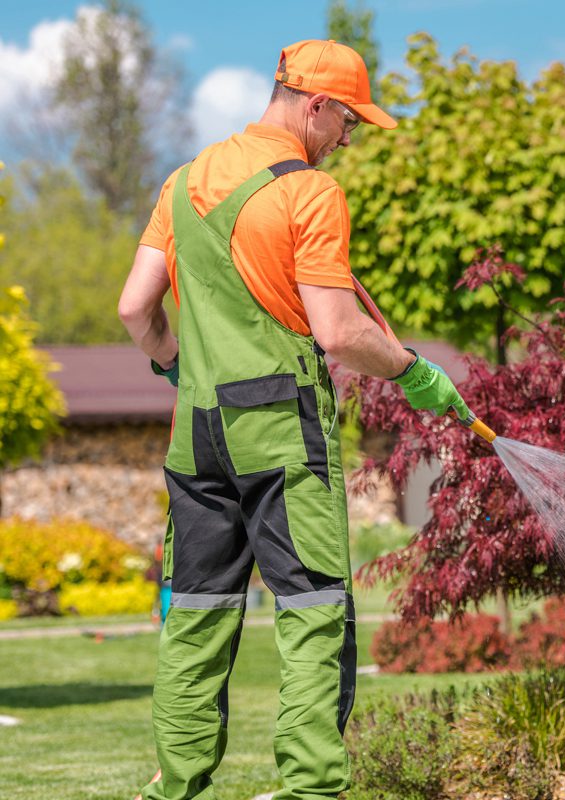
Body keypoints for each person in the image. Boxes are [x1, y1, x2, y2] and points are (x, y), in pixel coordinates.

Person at [118, 39, 470, 800]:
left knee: (197, 614)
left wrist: (177, 365)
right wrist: (413, 371)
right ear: (316, 106)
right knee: (312, 608)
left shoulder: (184, 181)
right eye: (349, 121)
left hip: (196, 434)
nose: (349, 138)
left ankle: (174, 787)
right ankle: (310, 789)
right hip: (281, 429)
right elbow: (338, 332)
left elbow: (134, 308)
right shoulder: (310, 192)